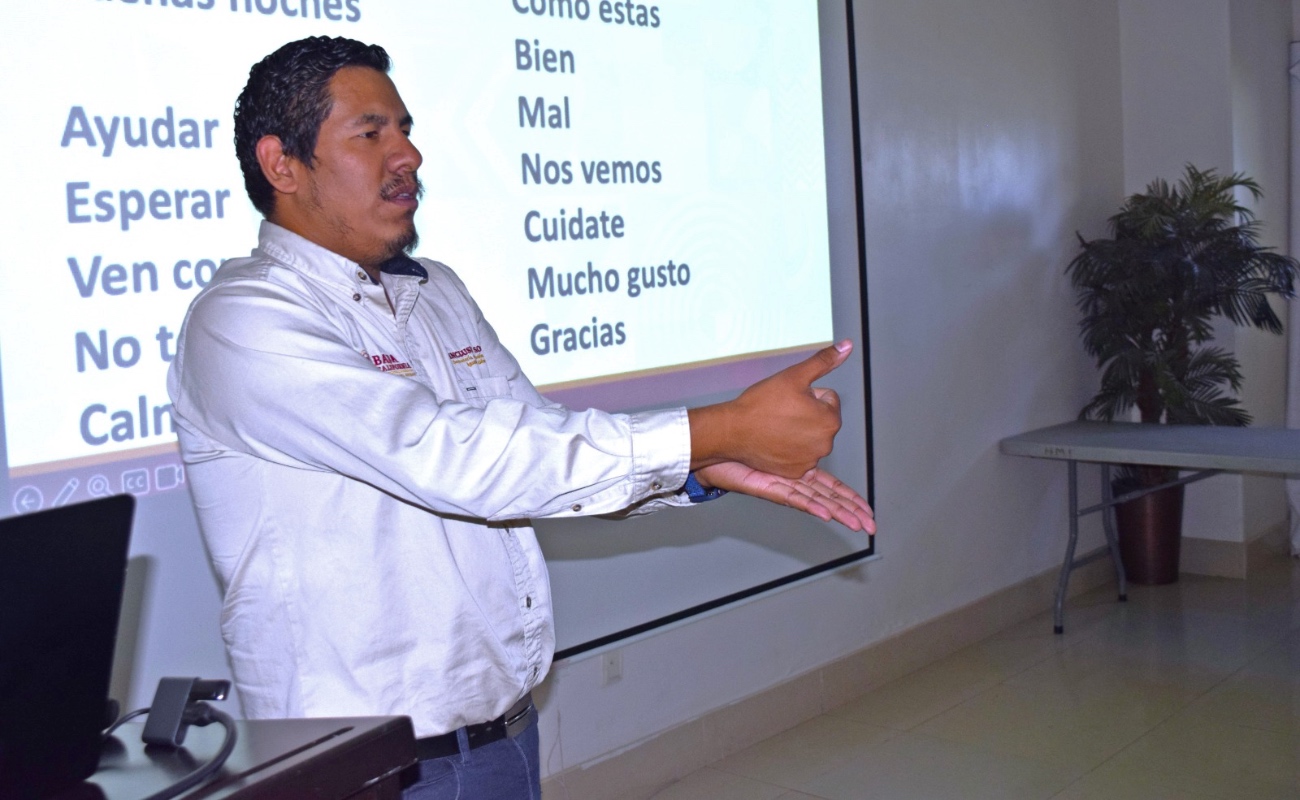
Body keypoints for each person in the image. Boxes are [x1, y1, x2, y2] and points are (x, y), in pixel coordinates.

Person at [167, 36, 874, 800]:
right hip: (367, 770)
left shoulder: (434, 291)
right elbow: (454, 459)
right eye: (371, 133)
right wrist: (718, 426)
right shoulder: (243, 320)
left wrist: (699, 466)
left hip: (501, 734)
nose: (408, 155)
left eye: (405, 129)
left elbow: (531, 446)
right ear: (282, 164)